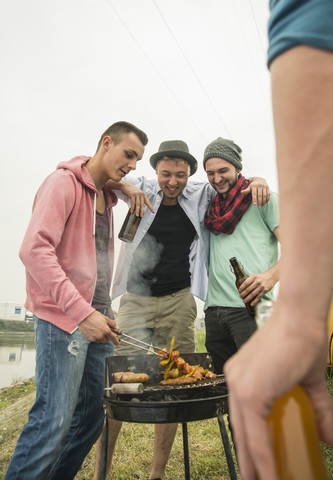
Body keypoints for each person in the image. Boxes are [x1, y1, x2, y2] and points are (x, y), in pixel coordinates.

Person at [94, 139, 270, 480]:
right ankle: (103, 471)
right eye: (165, 174)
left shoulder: (200, 193)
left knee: (178, 385)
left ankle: (156, 475)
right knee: (117, 385)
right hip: (135, 299)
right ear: (155, 171)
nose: (172, 182)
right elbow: (102, 175)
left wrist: (258, 181)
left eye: (180, 175)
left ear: (190, 174)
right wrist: (128, 186)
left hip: (179, 300)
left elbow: (233, 183)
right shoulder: (141, 186)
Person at [223, 1, 333, 480]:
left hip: (266, 306)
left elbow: (308, 21)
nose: (216, 179)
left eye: (223, 170)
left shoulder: (259, 195)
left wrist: (299, 312)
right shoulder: (207, 204)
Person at [4, 121, 149, 480]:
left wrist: (100, 310)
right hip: (64, 319)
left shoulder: (106, 195)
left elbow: (93, 262)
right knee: (53, 420)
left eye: (137, 160)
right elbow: (34, 250)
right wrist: (82, 313)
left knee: (90, 419)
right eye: (128, 154)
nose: (132, 165)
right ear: (105, 143)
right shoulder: (63, 183)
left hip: (97, 312)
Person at [203, 136, 280, 376]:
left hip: (252, 309)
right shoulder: (212, 206)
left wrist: (271, 277)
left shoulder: (263, 199)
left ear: (237, 167)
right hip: (214, 311)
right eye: (210, 172)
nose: (217, 178)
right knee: (226, 389)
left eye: (223, 170)